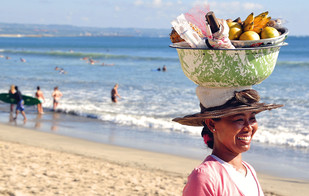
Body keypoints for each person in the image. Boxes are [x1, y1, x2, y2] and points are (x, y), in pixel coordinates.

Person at [173, 88, 283, 196]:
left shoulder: (248, 170)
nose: (248, 127)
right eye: (239, 119)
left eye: (252, 118)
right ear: (211, 124)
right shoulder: (205, 177)